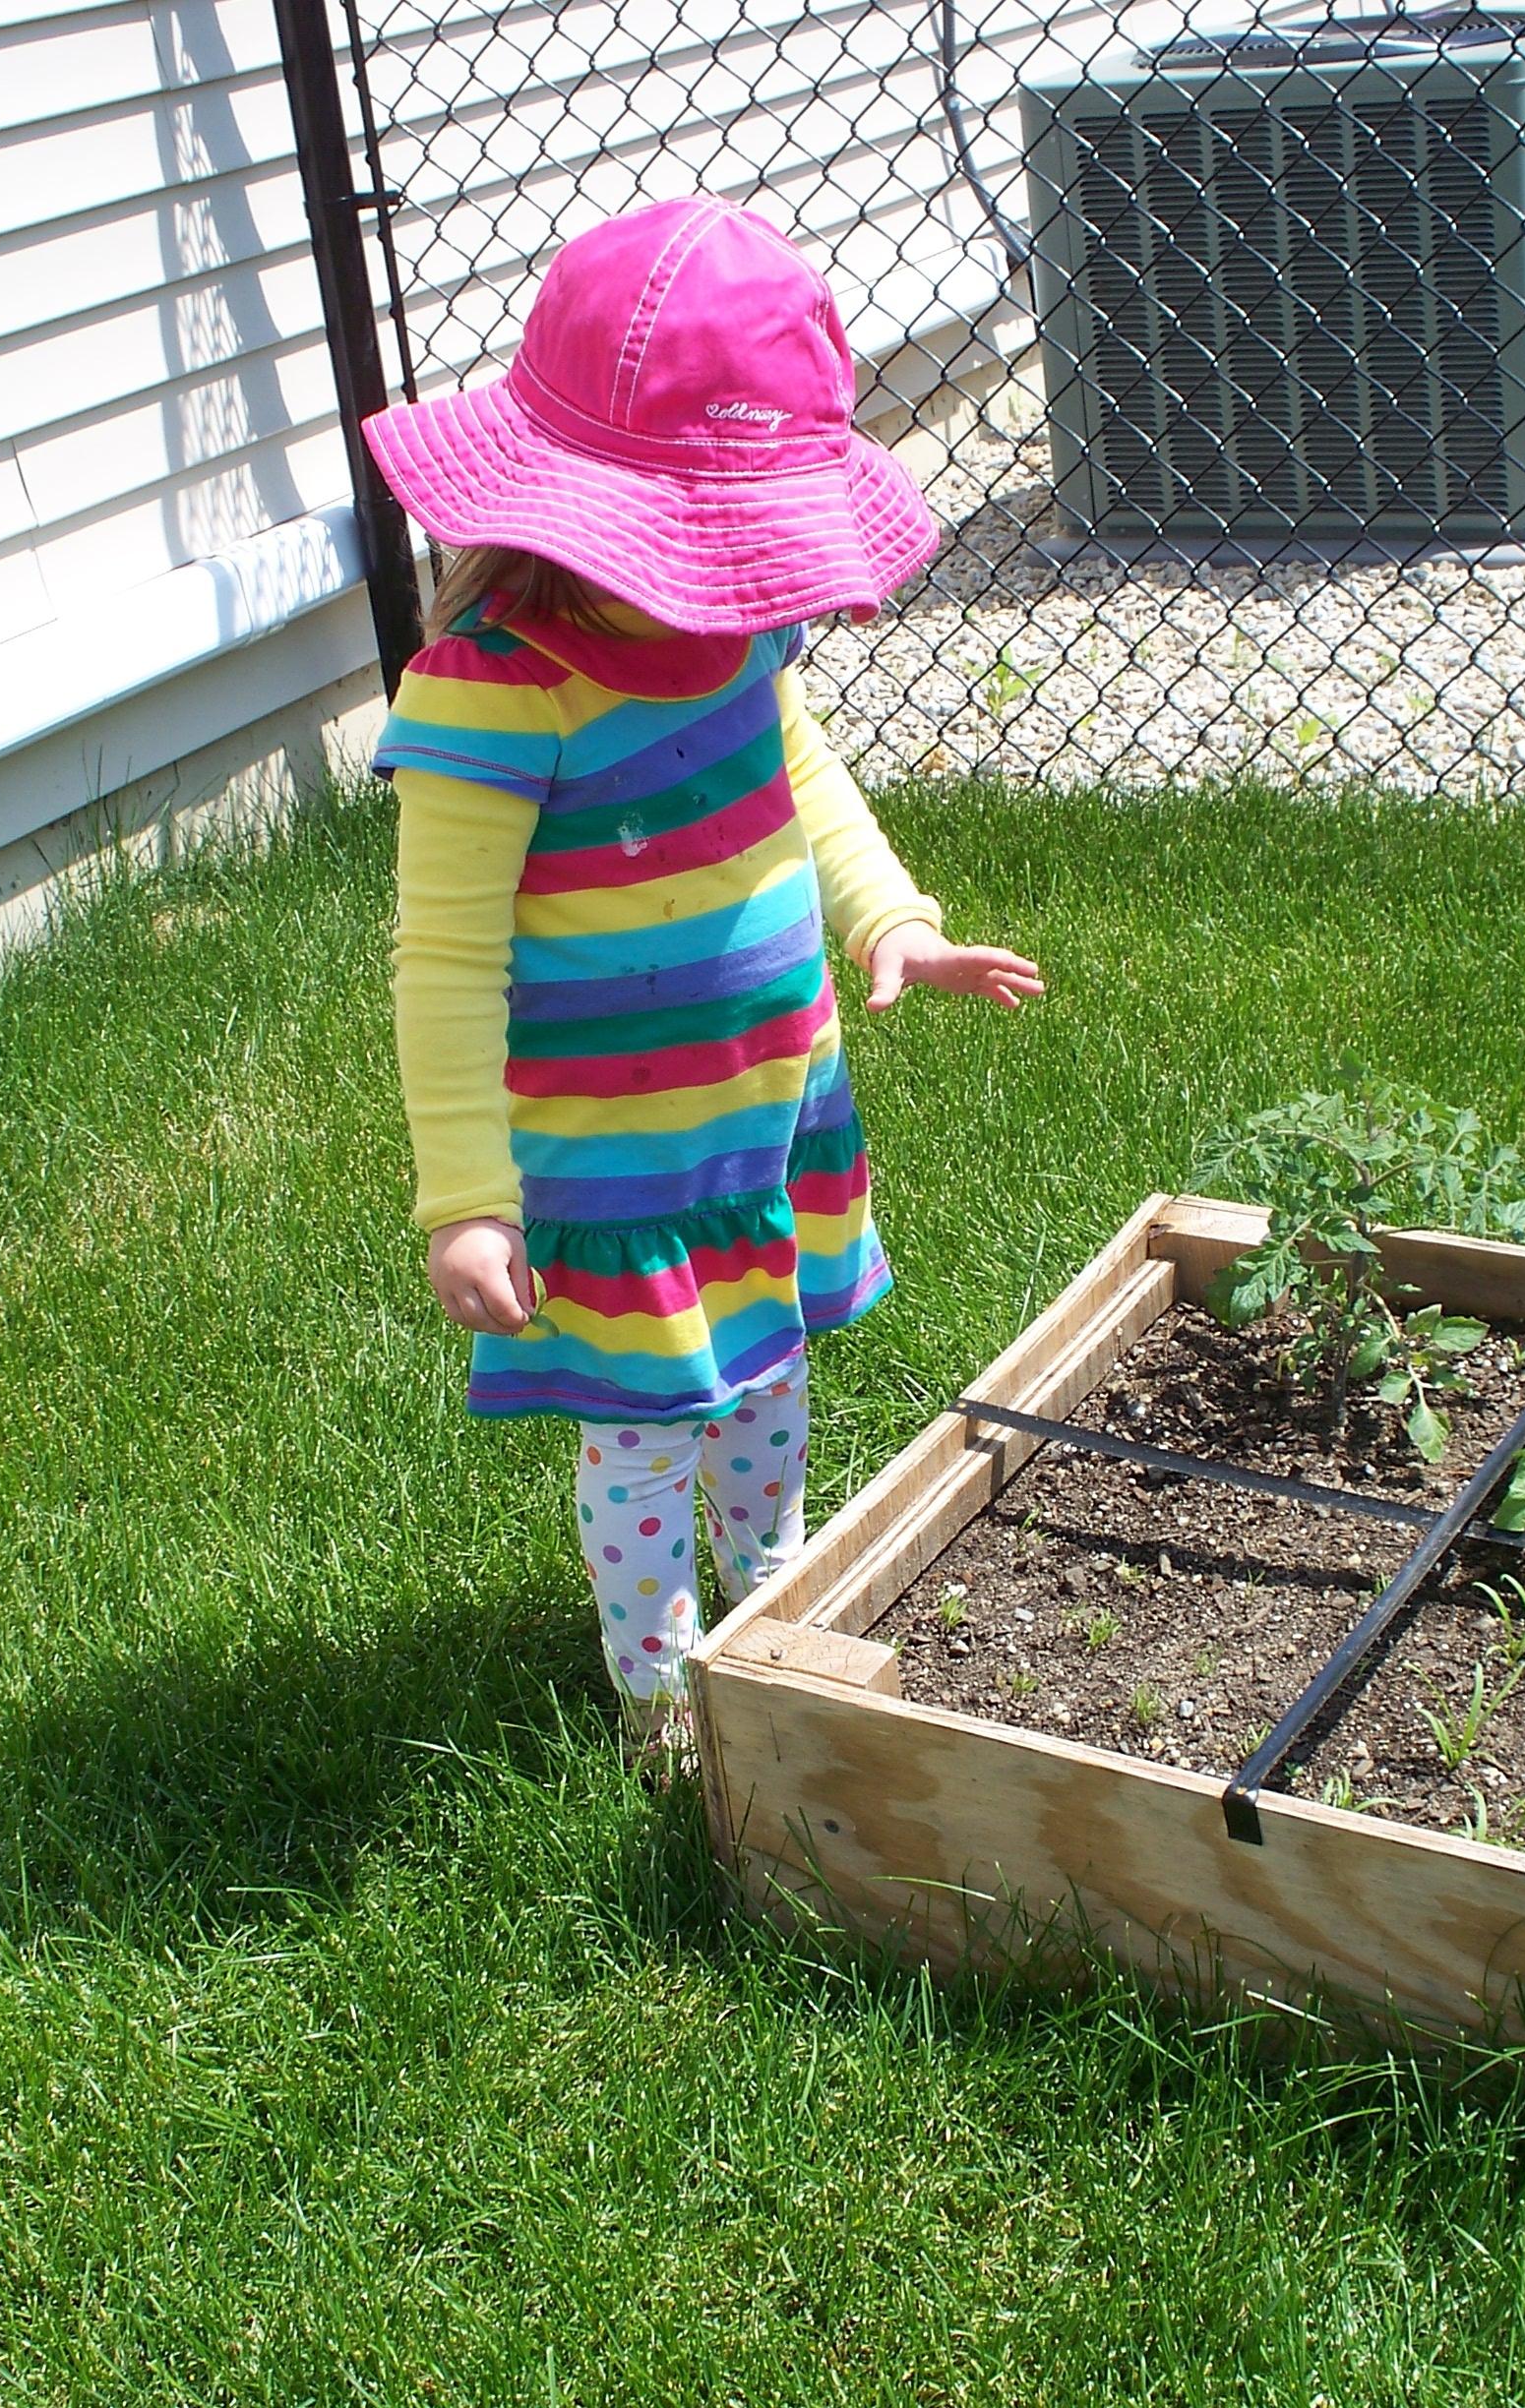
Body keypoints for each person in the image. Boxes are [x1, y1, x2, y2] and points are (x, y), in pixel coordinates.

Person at [367, 195, 1045, 1776]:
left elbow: (795, 768)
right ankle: (667, 1692)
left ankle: (779, 1587)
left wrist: (890, 921)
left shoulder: (739, 627)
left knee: (768, 1378)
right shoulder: (498, 692)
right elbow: (446, 958)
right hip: (618, 1159)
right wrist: (466, 1194)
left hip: (766, 1116)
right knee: (650, 1424)